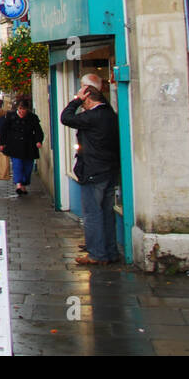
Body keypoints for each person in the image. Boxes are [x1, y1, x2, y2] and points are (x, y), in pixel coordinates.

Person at [61, 75, 121, 266]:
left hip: (94, 171)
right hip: (110, 170)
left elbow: (66, 117)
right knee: (107, 212)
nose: (82, 105)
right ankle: (110, 252)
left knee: (93, 214)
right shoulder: (110, 114)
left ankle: (96, 254)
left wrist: (76, 100)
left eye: (83, 101)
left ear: (87, 98)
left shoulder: (93, 116)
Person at [0, 97, 44, 195]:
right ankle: (18, 184)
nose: (22, 111)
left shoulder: (32, 117)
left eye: (24, 109)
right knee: (17, 164)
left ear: (27, 109)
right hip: (15, 145)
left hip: (29, 145)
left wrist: (38, 141)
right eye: (20, 109)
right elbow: (4, 130)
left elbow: (38, 131)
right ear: (17, 109)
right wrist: (2, 143)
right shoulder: (11, 116)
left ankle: (24, 184)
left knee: (28, 166)